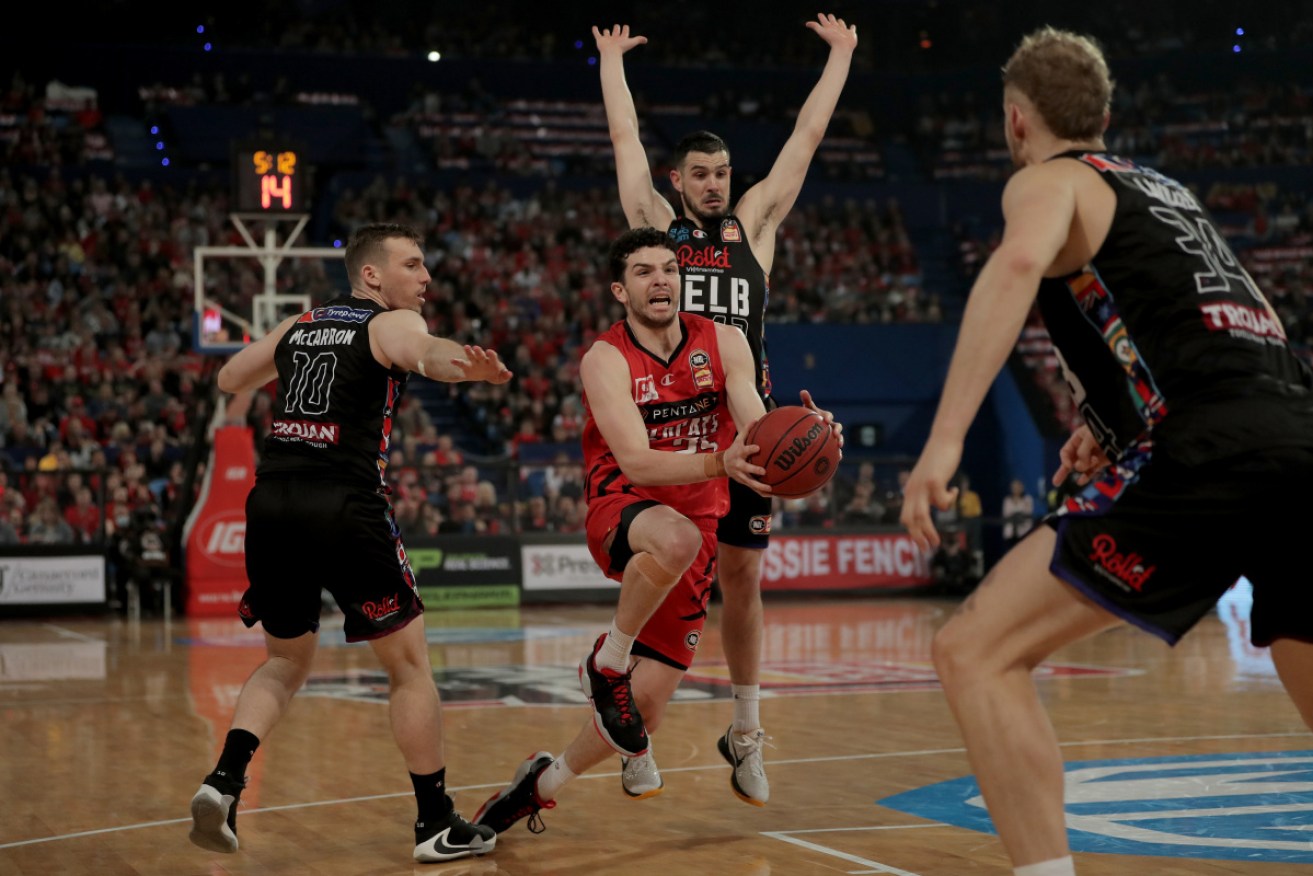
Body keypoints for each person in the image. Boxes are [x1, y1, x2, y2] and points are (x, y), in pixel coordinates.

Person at [900, 28, 1313, 876]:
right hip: (1297, 434)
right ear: (1106, 114)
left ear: (1017, 121)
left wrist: (943, 442)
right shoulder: (1167, 190)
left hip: (1210, 448)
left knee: (974, 651)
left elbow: (1018, 263)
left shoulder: (1048, 180)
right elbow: (1231, 321)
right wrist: (1114, 420)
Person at [471, 227, 838, 836]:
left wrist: (799, 437)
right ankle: (607, 661)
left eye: (668, 268)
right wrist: (722, 463)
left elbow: (754, 419)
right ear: (621, 289)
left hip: (695, 525)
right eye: (644, 271)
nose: (661, 279)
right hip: (623, 507)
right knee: (676, 540)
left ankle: (535, 787)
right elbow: (637, 461)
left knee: (643, 712)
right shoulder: (605, 358)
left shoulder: (724, 340)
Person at [593, 12, 857, 805]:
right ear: (679, 181)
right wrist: (610, 62)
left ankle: (744, 730)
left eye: (722, 171)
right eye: (701, 172)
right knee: (660, 574)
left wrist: (840, 54)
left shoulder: (758, 225)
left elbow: (807, 137)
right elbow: (623, 139)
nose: (714, 181)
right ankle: (627, 721)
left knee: (743, 581)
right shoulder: (655, 228)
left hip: (750, 426)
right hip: (673, 426)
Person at [188, 223, 513, 865]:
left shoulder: (300, 324)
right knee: (409, 668)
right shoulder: (386, 323)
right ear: (372, 275)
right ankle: (435, 823)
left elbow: (229, 378)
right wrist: (466, 368)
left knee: (284, 661)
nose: (425, 278)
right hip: (342, 501)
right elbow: (424, 352)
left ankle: (223, 782)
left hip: (272, 499)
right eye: (413, 265)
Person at [1001, 477, 1035, 548]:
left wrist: (1018, 514)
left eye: (1018, 487)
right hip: (1011, 532)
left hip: (1024, 531)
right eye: (1014, 487)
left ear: (1022, 487)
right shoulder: (1007, 500)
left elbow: (1028, 512)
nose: (1016, 489)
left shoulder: (1027, 499)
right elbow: (1006, 514)